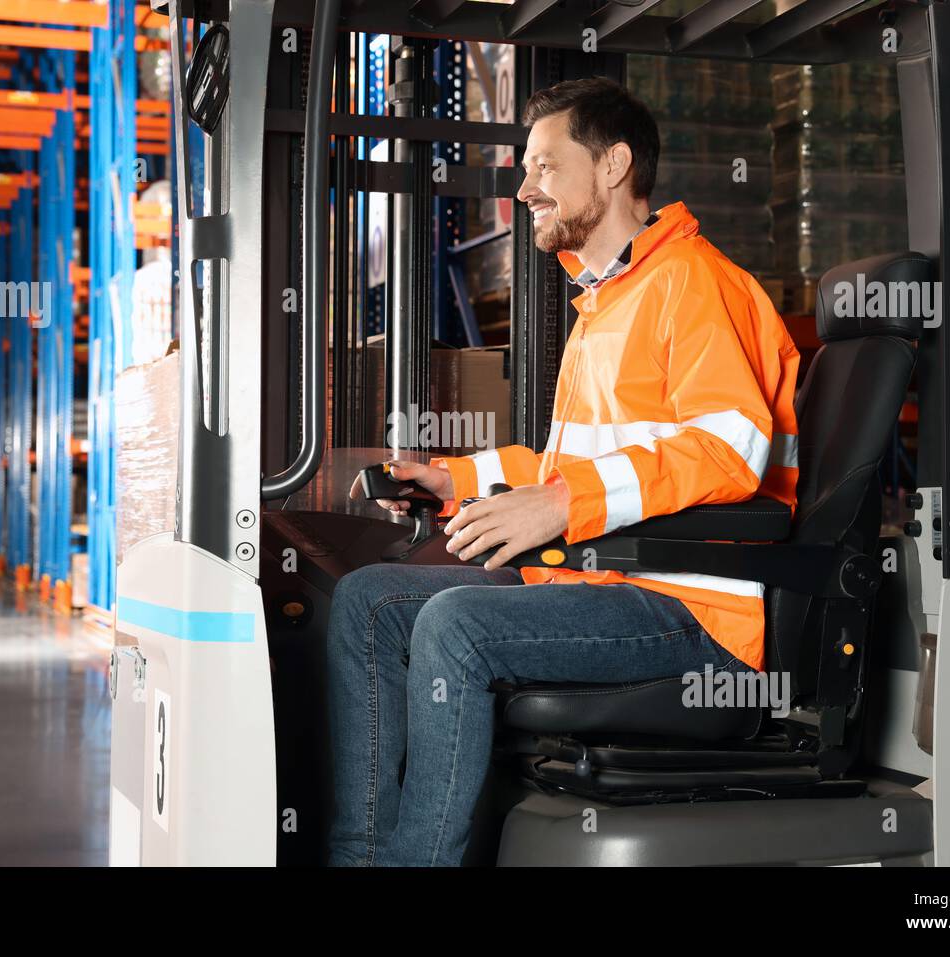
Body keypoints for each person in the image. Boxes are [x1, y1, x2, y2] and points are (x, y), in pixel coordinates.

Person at [326, 76, 800, 867]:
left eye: (545, 166)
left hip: (689, 610)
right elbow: (568, 467)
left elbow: (730, 449)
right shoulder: (607, 299)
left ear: (612, 166)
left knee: (454, 624)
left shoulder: (692, 283)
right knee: (368, 603)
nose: (524, 188)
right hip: (605, 584)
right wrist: (457, 479)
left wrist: (559, 504)